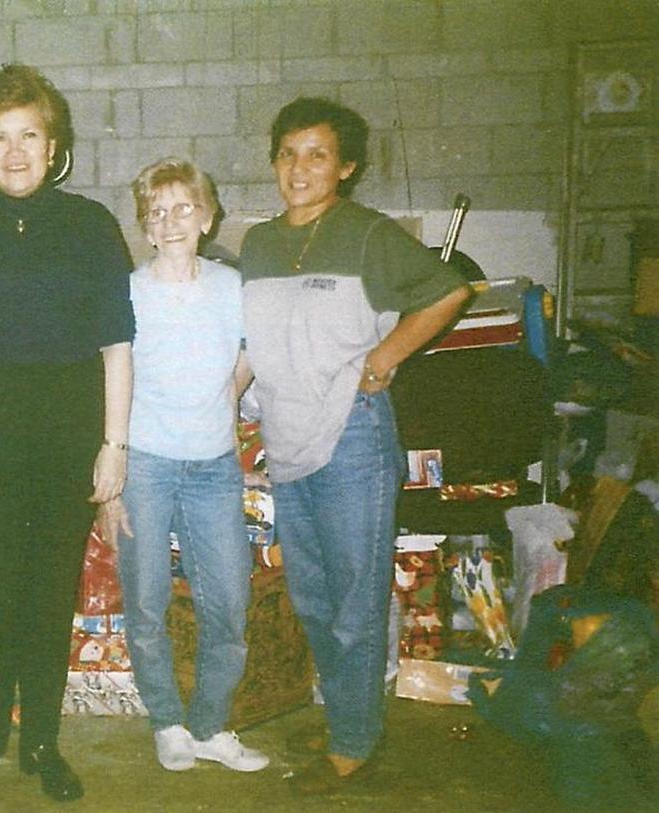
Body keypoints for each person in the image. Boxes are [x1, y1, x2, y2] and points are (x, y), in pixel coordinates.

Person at [238, 96, 470, 794]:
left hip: (353, 437)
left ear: (346, 166)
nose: (299, 168)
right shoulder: (257, 244)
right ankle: (345, 716)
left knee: (355, 602)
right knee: (312, 596)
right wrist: (225, 402)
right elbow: (253, 341)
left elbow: (450, 291)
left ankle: (355, 741)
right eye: (288, 153)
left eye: (316, 154)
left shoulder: (369, 234)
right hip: (287, 435)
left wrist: (384, 358)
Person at [0, 64, 134, 810]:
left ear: (53, 145)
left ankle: (42, 742)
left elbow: (116, 345)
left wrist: (114, 444)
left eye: (29, 135)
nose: (14, 152)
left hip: (66, 432)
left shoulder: (90, 226)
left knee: (48, 594)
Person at [95, 157, 268, 775]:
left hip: (214, 468)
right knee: (146, 605)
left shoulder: (231, 285)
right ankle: (167, 722)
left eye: (183, 209)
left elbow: (250, 347)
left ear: (207, 216)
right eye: (156, 212)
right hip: (145, 466)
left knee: (228, 604)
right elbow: (108, 378)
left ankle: (209, 725)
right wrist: (110, 483)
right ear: (144, 224)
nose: (170, 222)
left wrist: (230, 388)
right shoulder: (128, 292)